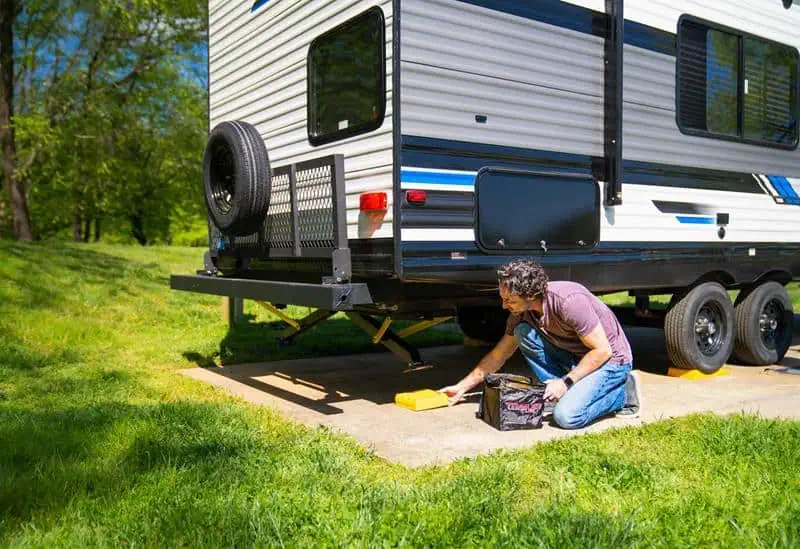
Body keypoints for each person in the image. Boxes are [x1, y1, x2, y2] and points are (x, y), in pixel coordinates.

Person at [440, 259, 640, 429]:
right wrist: (461, 387)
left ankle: (622, 395)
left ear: (529, 294)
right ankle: (559, 394)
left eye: (509, 299)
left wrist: (566, 382)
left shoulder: (569, 301)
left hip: (611, 361)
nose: (503, 305)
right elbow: (498, 355)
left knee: (566, 417)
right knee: (523, 332)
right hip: (577, 357)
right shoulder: (520, 314)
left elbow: (602, 351)